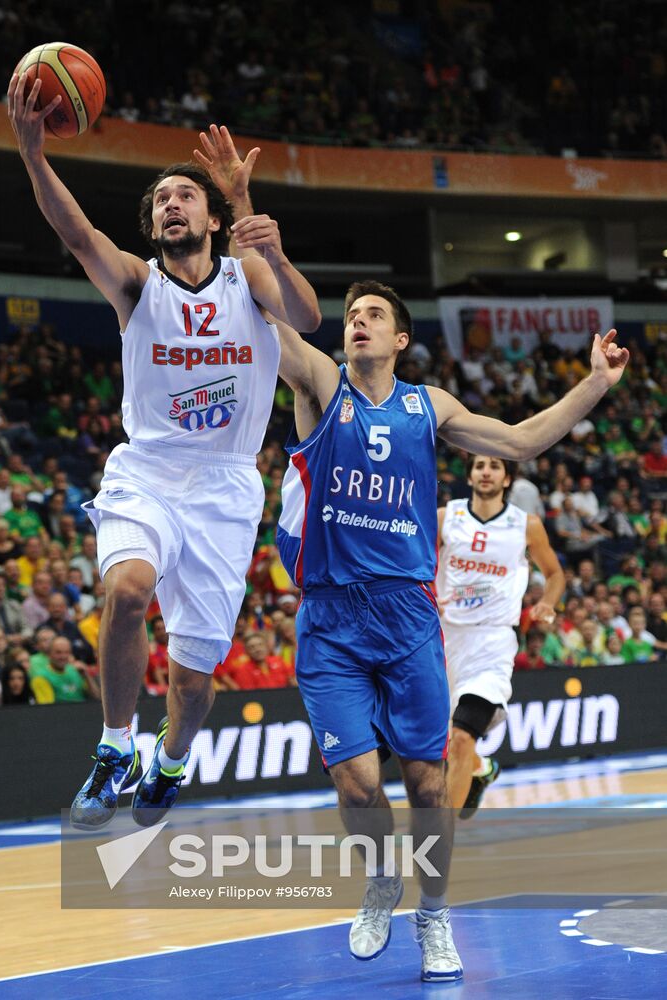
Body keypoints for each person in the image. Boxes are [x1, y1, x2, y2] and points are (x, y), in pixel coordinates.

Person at [192, 134, 629, 981]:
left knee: (431, 791)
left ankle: (435, 916)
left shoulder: (430, 408)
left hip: (405, 617)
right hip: (330, 620)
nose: (355, 321)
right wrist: (242, 212)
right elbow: (262, 317)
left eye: (371, 316)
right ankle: (381, 882)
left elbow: (525, 440)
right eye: (350, 314)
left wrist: (598, 384)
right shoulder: (320, 384)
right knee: (359, 788)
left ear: (398, 341)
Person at [8, 88, 321, 830]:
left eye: (187, 195)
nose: (173, 205)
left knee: (192, 680)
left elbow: (308, 318)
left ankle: (171, 759)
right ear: (152, 226)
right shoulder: (137, 284)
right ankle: (116, 746)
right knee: (125, 591)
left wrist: (265, 237)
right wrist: (31, 149)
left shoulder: (250, 276)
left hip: (225, 485)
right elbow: (77, 232)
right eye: (162, 201)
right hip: (147, 468)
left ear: (213, 217)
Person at [436, 454, 565, 819]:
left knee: (462, 737)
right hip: (444, 639)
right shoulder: (447, 517)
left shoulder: (526, 525)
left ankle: (436, 841)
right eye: (479, 465)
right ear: (471, 474)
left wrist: (548, 604)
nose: (486, 471)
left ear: (507, 478)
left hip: (493, 642)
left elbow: (555, 574)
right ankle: (482, 769)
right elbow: (419, 563)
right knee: (443, 741)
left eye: (494, 466)